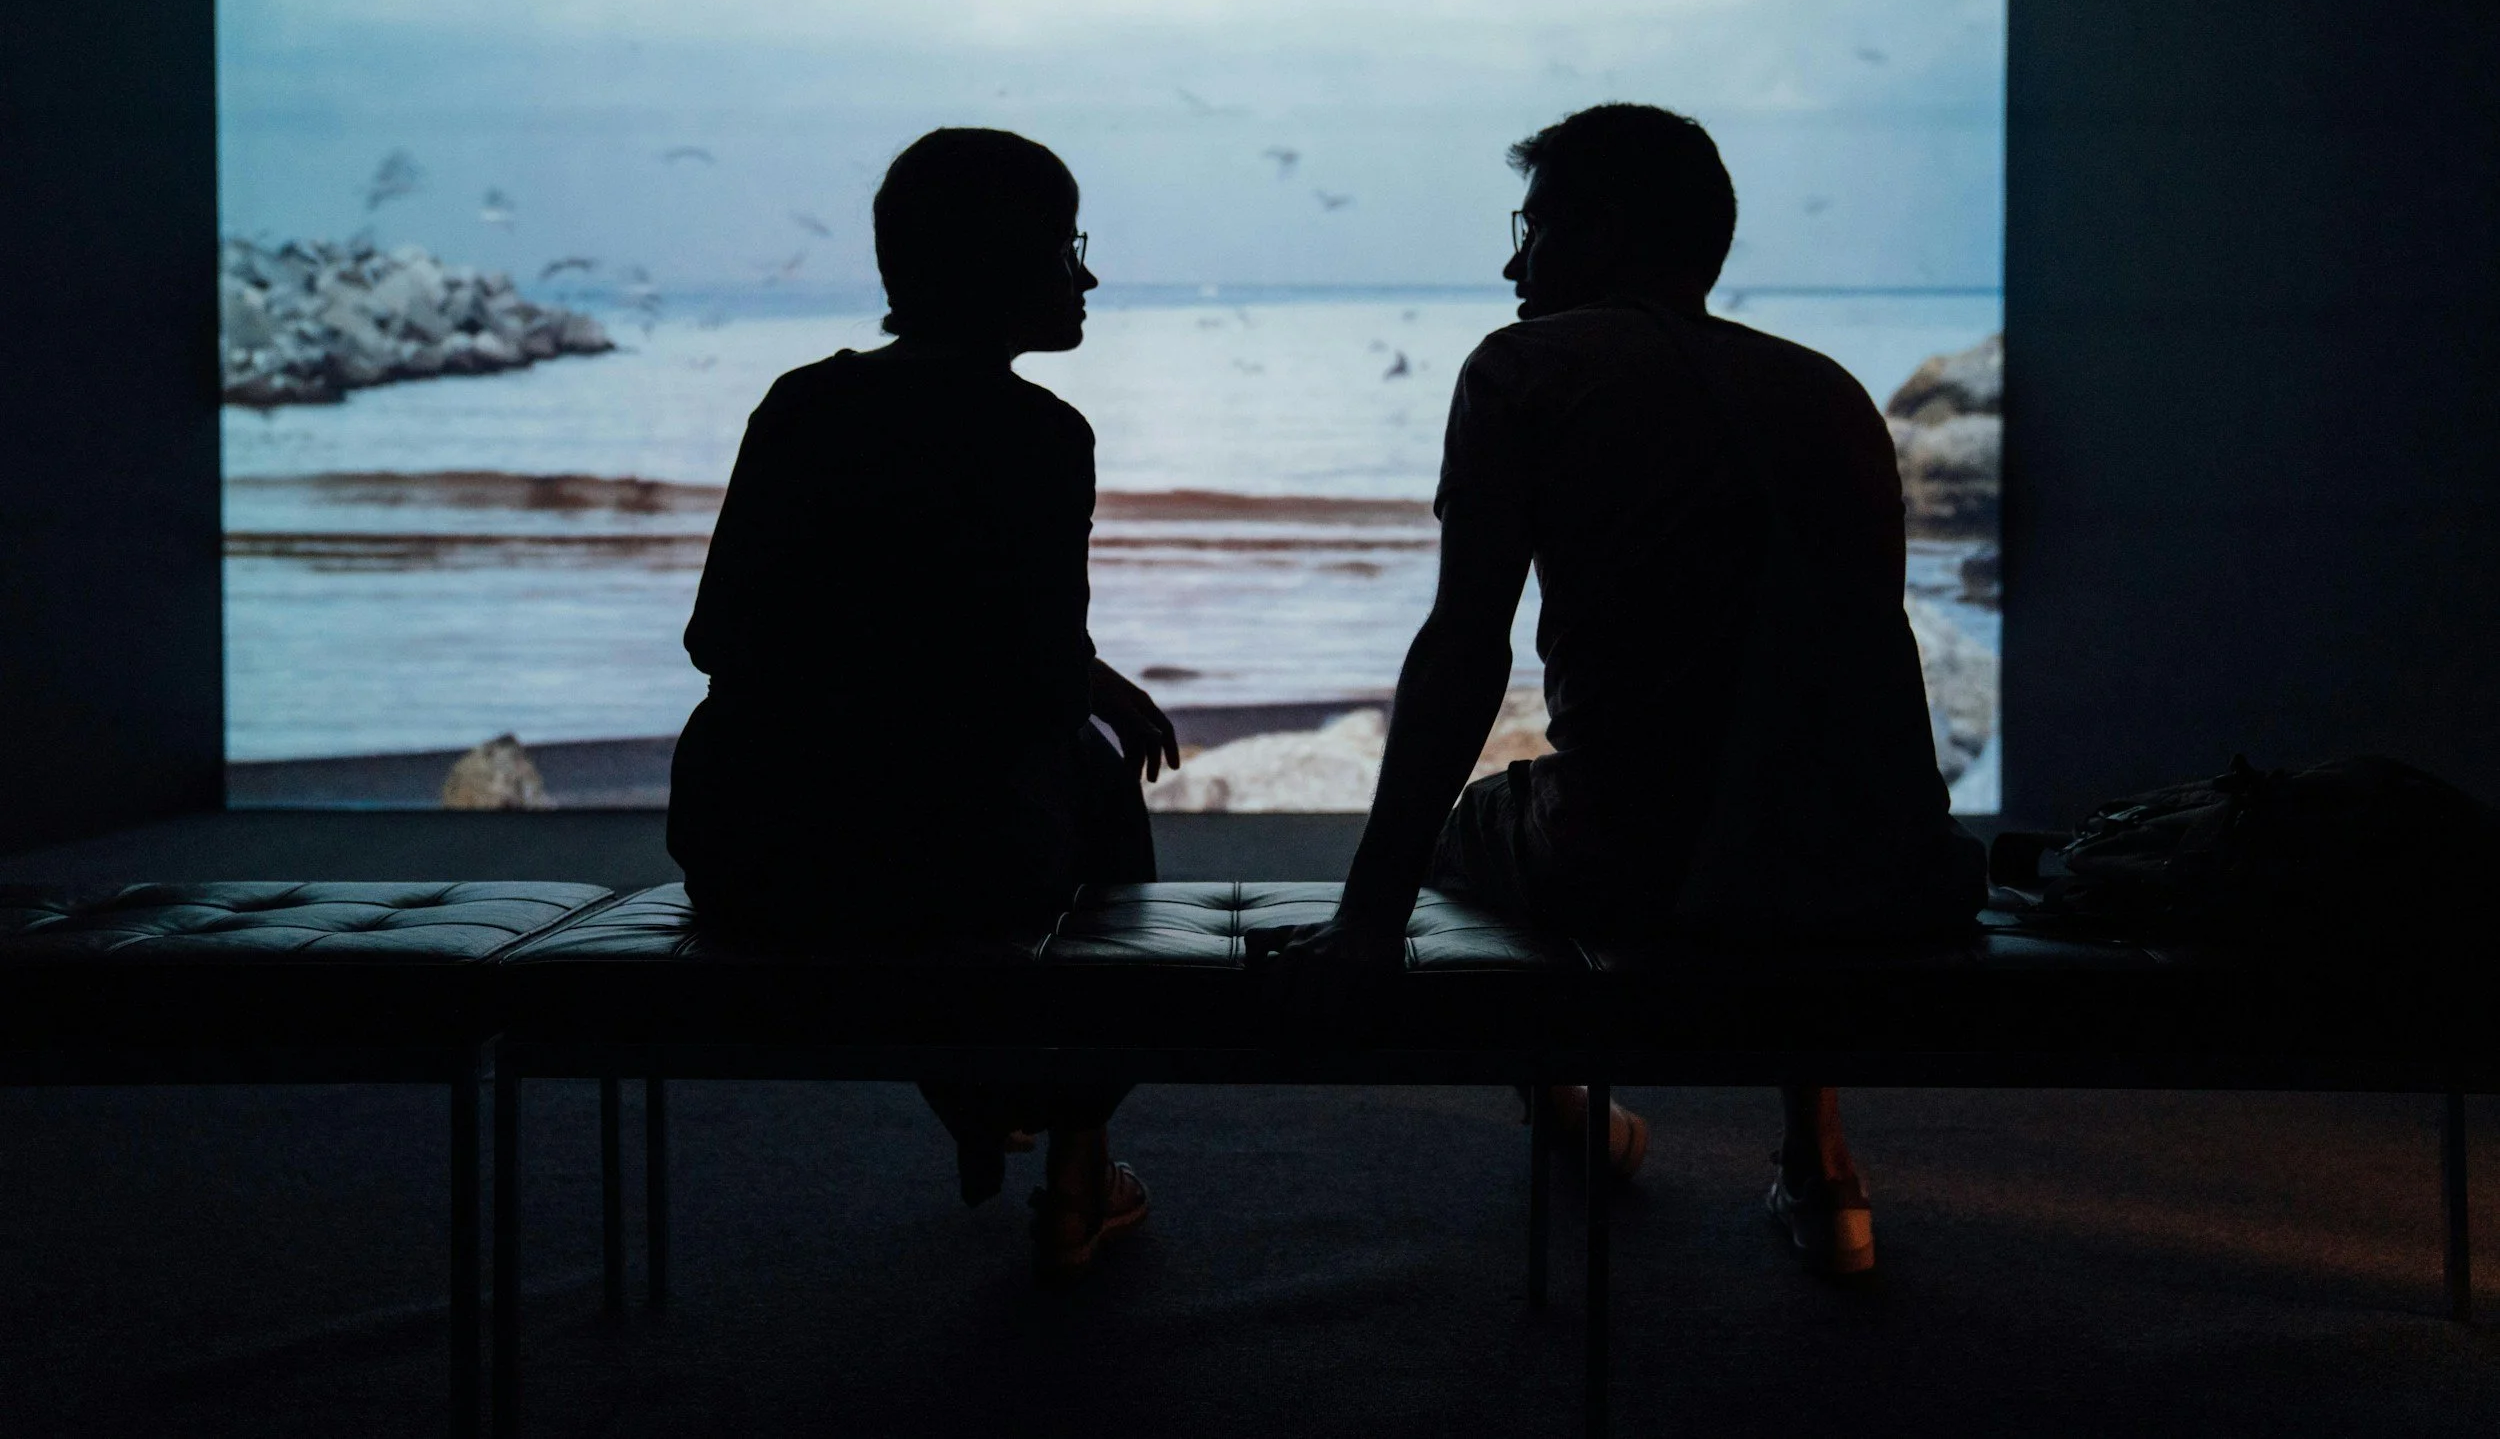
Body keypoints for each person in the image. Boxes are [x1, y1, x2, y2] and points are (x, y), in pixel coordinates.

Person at [1272, 103, 1984, 1277]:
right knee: (1776, 764)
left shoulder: (1523, 370)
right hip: (1877, 863)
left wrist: (1366, 917)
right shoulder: (1829, 391)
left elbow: (1464, 649)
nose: (1513, 260)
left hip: (1642, 863)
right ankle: (1821, 1160)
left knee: (1480, 828)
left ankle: (1572, 1119)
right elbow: (1849, 671)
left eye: (1534, 224)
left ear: (1603, 231)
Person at [665, 127, 1182, 1282]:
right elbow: (1032, 679)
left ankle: (978, 1082)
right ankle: (1078, 1161)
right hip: (952, 866)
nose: (1085, 277)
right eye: (1066, 248)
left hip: (752, 850)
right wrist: (1082, 694)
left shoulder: (800, 406)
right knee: (1092, 785)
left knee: (986, 787)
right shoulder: (1042, 434)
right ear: (1010, 266)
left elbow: (719, 636)